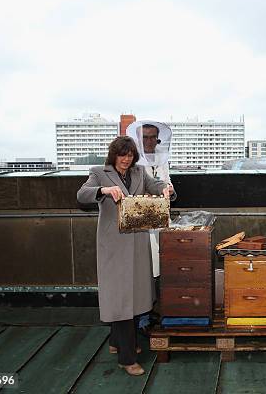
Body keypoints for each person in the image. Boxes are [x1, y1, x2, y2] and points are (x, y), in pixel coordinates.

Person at [76, 136, 175, 376]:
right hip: (114, 246)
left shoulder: (140, 172)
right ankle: (127, 358)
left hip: (138, 243)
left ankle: (115, 342)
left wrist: (166, 189)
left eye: (130, 155)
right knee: (120, 298)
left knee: (135, 295)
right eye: (122, 154)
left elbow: (156, 186)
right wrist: (104, 190)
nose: (126, 159)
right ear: (114, 155)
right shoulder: (99, 171)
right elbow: (82, 195)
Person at [126, 121, 174, 334]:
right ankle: (141, 318)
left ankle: (153, 310)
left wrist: (170, 191)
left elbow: (166, 183)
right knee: (142, 271)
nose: (149, 141)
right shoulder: (131, 162)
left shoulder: (161, 161)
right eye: (145, 137)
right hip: (140, 224)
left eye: (153, 137)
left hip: (160, 221)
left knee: (159, 269)